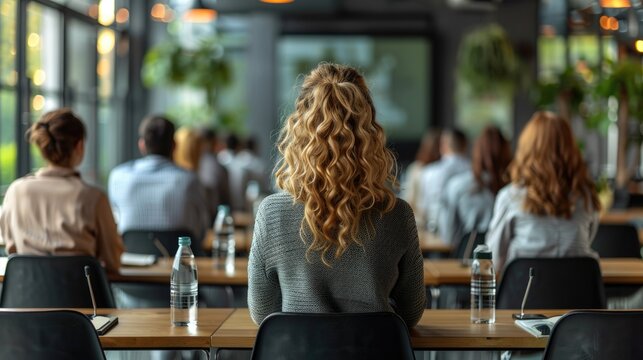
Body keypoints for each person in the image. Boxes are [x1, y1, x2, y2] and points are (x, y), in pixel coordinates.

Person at [248, 63, 426, 326]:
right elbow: (411, 313)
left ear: (299, 129)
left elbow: (261, 313)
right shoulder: (397, 214)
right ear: (369, 130)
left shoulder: (272, 212)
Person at [0, 108, 123, 273]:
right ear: (79, 146)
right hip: (78, 297)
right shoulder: (93, 198)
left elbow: (12, 250)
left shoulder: (15, 192)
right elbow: (112, 262)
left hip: (25, 296)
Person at [485, 111, 600, 271]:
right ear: (570, 149)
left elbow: (493, 261)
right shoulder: (586, 196)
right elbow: (588, 239)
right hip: (578, 294)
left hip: (524, 294)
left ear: (526, 149)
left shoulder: (510, 197)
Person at [108, 115, 209, 241]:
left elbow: (113, 226)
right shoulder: (190, 180)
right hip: (179, 259)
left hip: (131, 258)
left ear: (142, 145)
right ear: (174, 146)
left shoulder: (118, 177)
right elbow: (202, 230)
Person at [439, 126, 512, 246]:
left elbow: (448, 236)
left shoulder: (456, 186)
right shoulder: (518, 190)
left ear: (476, 151)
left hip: (467, 258)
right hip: (507, 262)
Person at [419, 128, 470, 234]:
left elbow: (423, 209)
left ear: (443, 145)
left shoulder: (428, 173)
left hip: (436, 235)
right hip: (468, 238)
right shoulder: (475, 172)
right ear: (465, 145)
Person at [401, 129, 442, 221]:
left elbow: (409, 199)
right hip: (422, 224)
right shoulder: (416, 169)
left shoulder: (416, 168)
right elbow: (409, 199)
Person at [197, 127, 231, 213]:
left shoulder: (190, 165)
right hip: (214, 217)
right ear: (214, 141)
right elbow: (227, 199)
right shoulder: (220, 167)